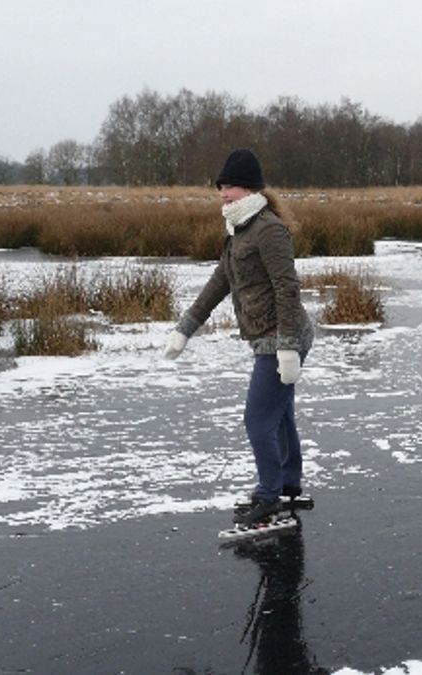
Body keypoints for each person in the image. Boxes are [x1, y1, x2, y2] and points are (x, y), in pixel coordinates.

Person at [163, 148, 315, 526]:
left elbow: (287, 288)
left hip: (281, 337)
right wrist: (186, 328)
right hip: (268, 337)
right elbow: (219, 283)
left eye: (229, 186)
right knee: (279, 416)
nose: (222, 193)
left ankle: (268, 496)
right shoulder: (238, 231)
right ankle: (288, 484)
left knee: (257, 420)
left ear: (248, 189)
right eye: (220, 186)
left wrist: (288, 346)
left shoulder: (269, 229)